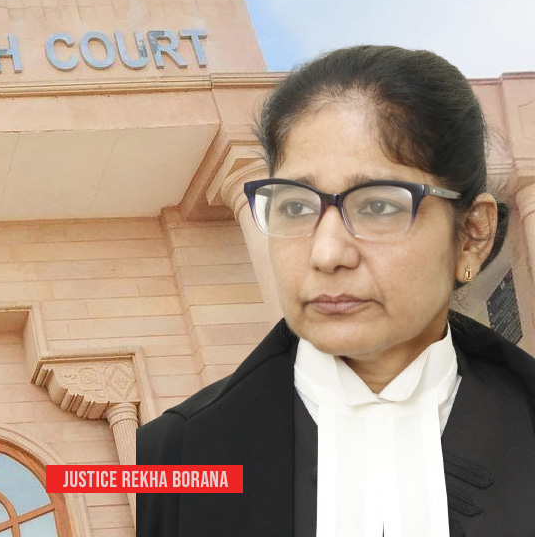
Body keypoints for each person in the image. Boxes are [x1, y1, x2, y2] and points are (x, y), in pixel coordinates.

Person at [136, 45, 535, 537]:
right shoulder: (172, 457)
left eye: (379, 206)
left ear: (472, 234)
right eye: (296, 208)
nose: (326, 254)